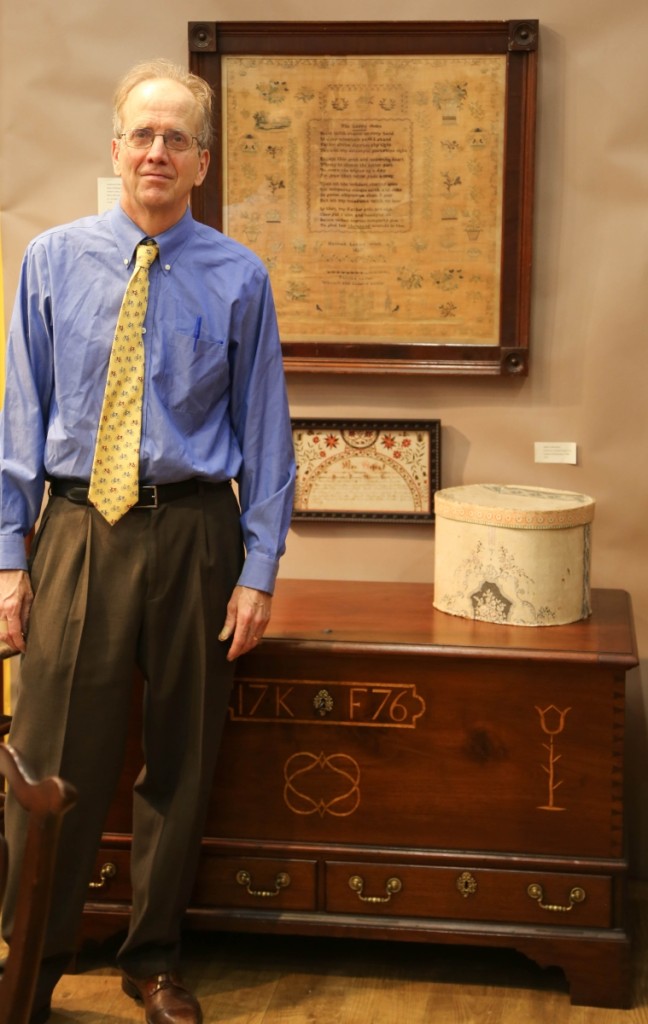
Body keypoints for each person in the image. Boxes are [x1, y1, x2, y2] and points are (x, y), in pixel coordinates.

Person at [0, 58, 295, 1024]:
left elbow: (265, 431)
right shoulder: (51, 260)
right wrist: (9, 556)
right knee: (47, 764)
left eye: (176, 137)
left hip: (197, 537)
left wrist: (257, 569)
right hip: (78, 528)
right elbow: (19, 420)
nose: (156, 151)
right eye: (142, 134)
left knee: (180, 757)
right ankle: (28, 963)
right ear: (115, 147)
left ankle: (154, 956)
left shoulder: (240, 277)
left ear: (201, 160)